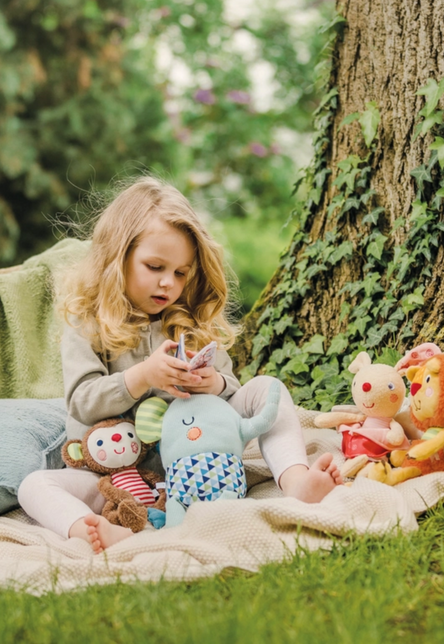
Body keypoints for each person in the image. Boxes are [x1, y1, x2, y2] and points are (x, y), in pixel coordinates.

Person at [18, 177, 342, 553]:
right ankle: (89, 530)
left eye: (180, 272)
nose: (168, 283)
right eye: (155, 266)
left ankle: (297, 481)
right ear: (117, 256)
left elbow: (232, 392)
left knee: (266, 388)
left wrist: (214, 385)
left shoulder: (189, 318)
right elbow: (82, 402)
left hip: (194, 467)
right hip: (119, 478)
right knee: (35, 486)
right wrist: (142, 377)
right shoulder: (88, 322)